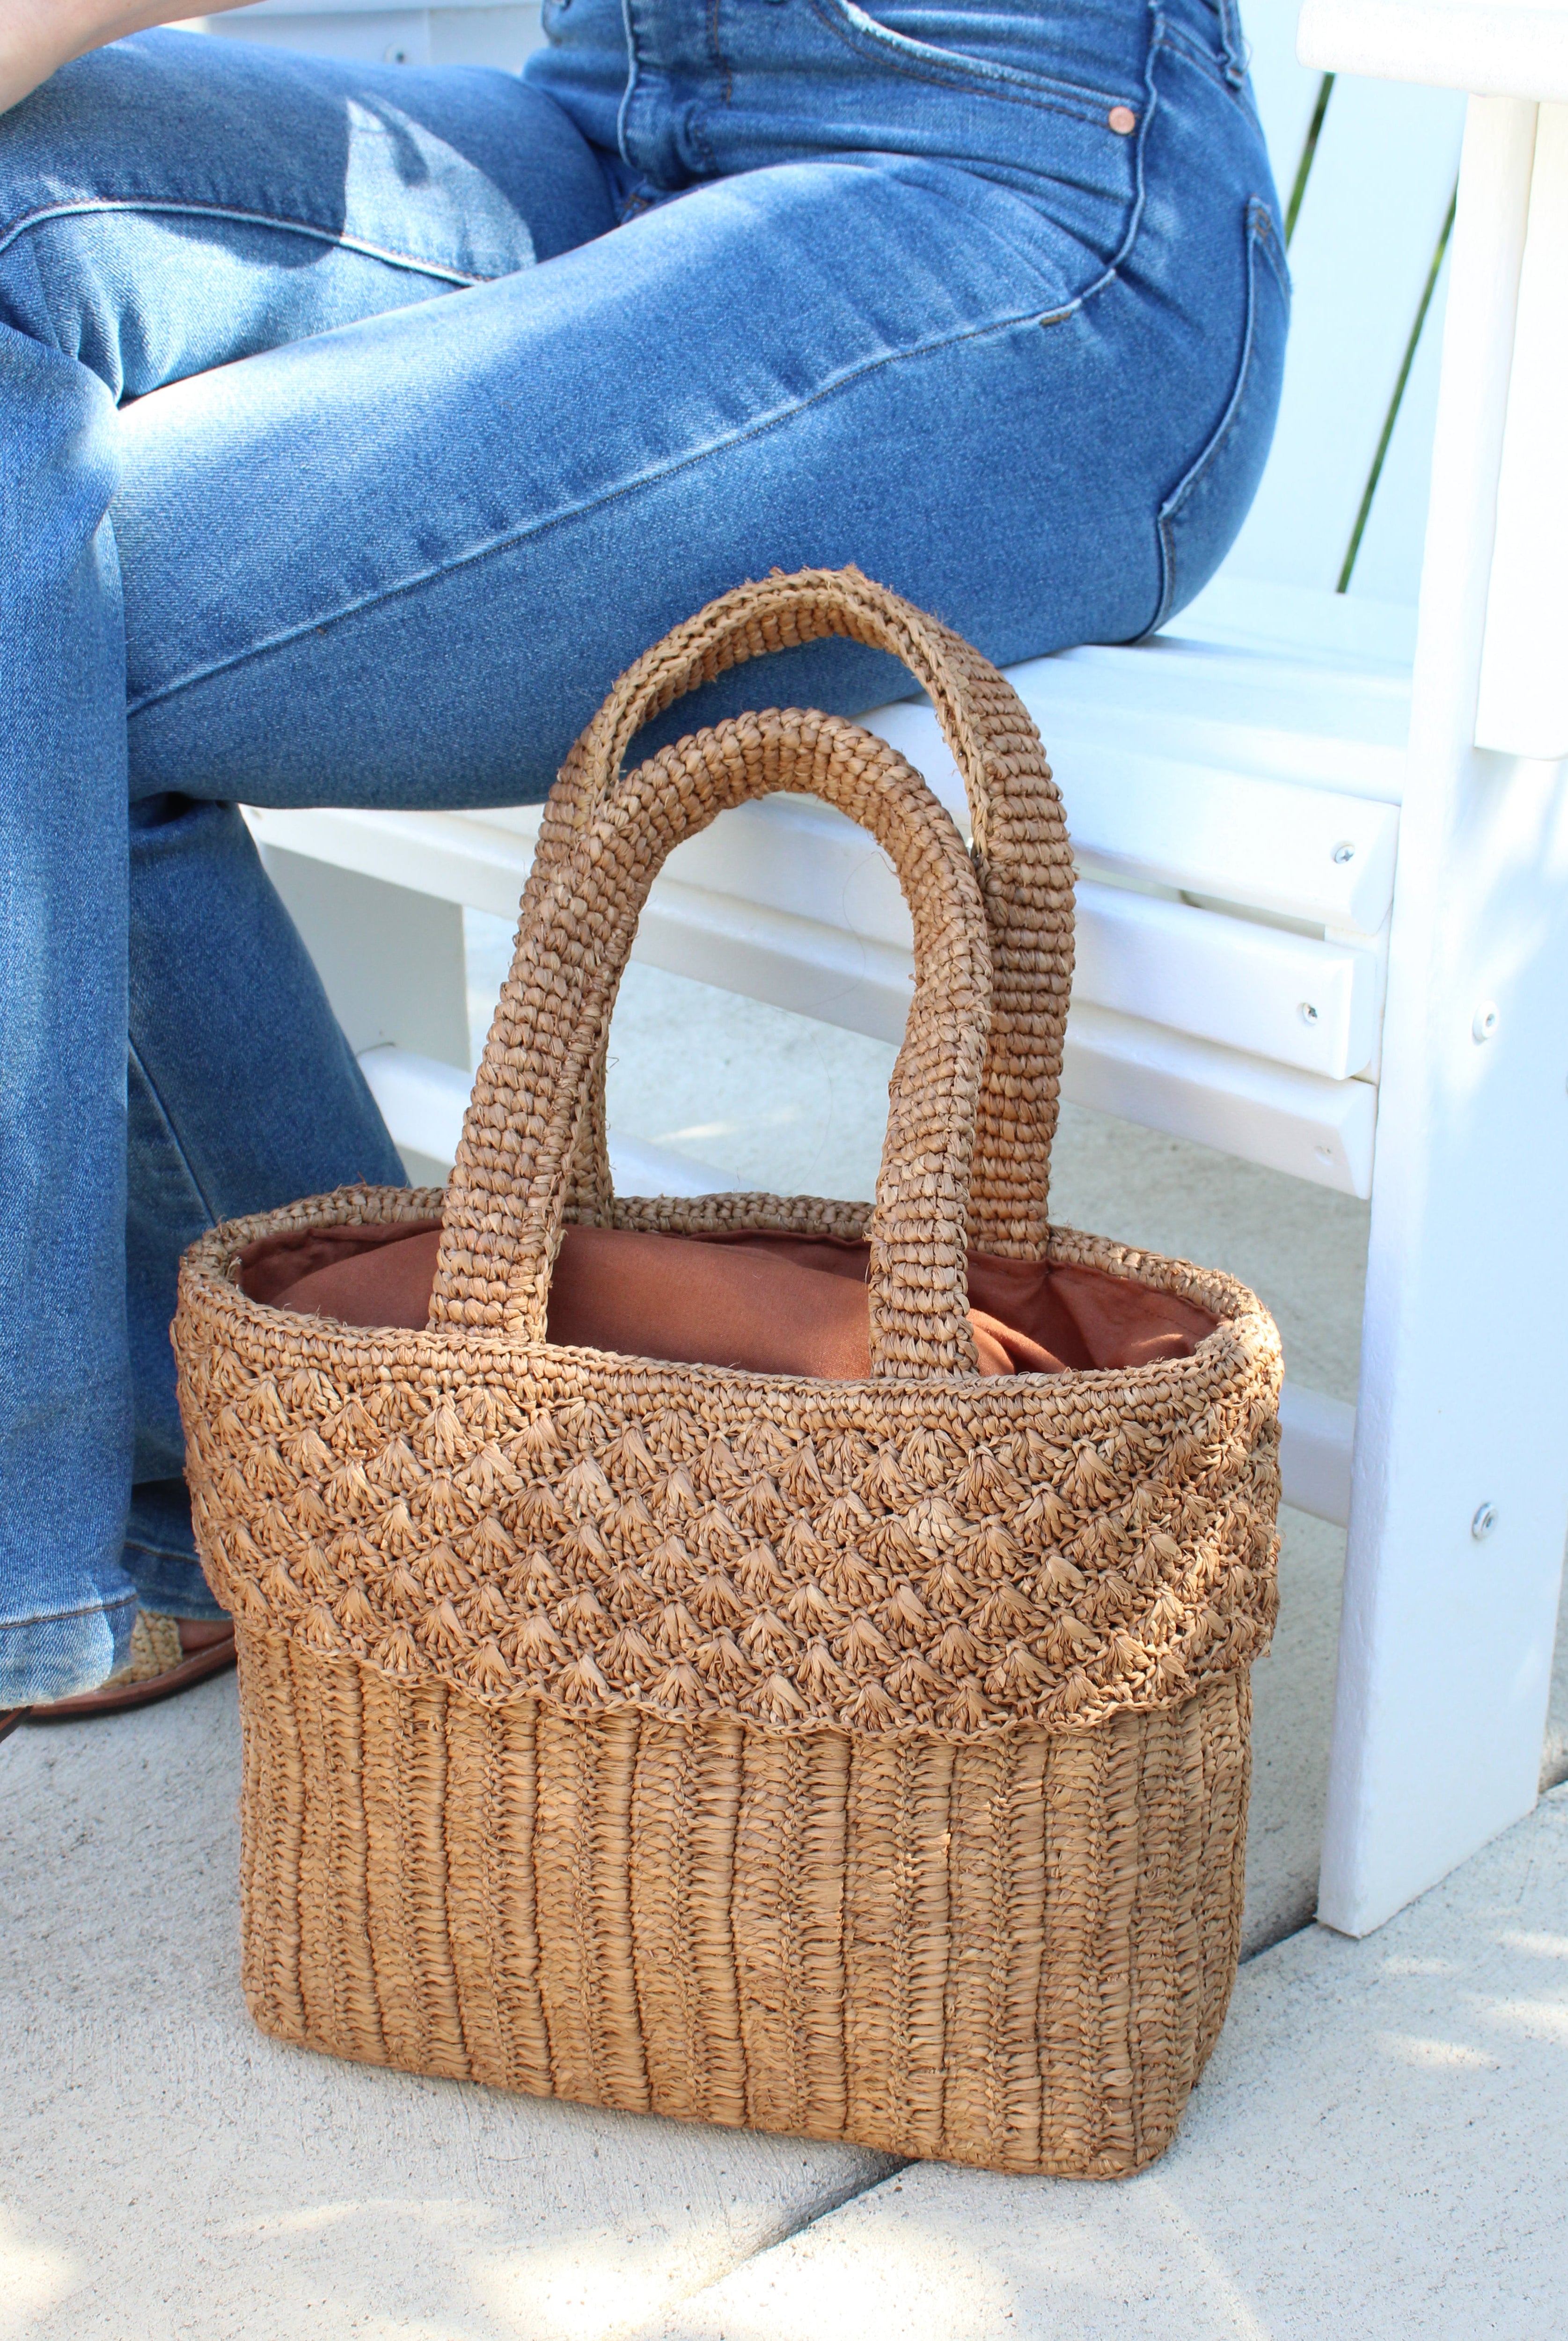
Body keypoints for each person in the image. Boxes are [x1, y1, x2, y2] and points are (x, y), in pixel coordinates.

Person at [0, 0, 1287, 1725]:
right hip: (622, 129)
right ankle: (330, 1459)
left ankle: (322, 1472)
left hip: (1025, 208)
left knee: (41, 613)